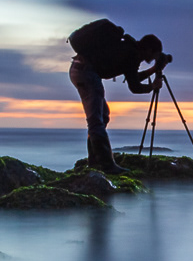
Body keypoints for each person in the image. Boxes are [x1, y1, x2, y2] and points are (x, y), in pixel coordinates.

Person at [66, 18, 170, 173]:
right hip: (86, 73)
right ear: (148, 49)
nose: (153, 58)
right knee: (96, 120)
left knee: (103, 115)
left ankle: (95, 162)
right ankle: (107, 166)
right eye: (154, 55)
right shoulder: (132, 54)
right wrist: (152, 86)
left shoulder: (129, 49)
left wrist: (153, 70)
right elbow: (134, 87)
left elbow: (132, 77)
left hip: (81, 70)